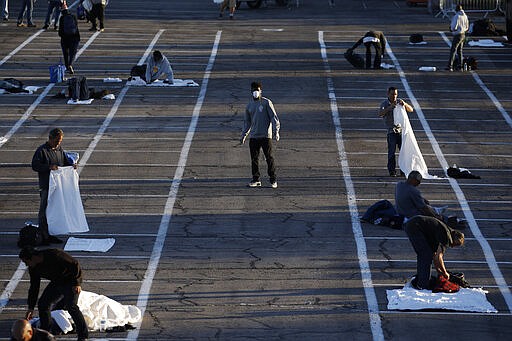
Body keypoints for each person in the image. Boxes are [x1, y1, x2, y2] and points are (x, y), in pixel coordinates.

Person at [19, 247, 89, 341]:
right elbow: (34, 288)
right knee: (43, 304)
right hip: (57, 282)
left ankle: (83, 336)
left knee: (71, 306)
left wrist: (77, 283)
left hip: (70, 281)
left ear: (33, 257)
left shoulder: (54, 254)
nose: (26, 265)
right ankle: (45, 332)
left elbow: (74, 264)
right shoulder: (33, 268)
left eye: (26, 262)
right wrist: (31, 307)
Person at [31, 128, 76, 245]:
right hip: (47, 186)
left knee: (55, 211)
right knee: (44, 211)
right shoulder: (42, 151)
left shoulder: (59, 149)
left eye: (60, 141)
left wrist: (72, 165)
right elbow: (35, 165)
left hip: (58, 186)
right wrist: (48, 167)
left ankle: (51, 234)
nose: (58, 143)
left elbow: (65, 161)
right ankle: (43, 235)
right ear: (50, 139)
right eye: (57, 141)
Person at [404, 215, 465, 290]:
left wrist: (440, 272)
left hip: (415, 223)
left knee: (428, 254)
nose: (451, 246)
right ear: (454, 239)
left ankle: (422, 280)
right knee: (425, 255)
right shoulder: (446, 237)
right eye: (454, 245)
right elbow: (438, 258)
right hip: (415, 226)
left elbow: (435, 256)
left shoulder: (445, 231)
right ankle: (422, 284)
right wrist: (445, 273)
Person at [240, 81, 280, 188]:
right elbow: (247, 122)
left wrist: (276, 131)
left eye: (257, 90)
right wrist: (244, 135)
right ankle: (256, 179)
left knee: (269, 157)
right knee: (254, 159)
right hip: (254, 136)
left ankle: (273, 179)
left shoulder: (266, 103)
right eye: (253, 90)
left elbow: (273, 117)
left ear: (260, 91)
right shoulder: (249, 106)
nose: (255, 92)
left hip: (266, 136)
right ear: (251, 91)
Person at [378, 86, 414, 177]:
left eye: (395, 94)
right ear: (388, 94)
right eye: (392, 94)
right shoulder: (385, 103)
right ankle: (392, 171)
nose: (394, 96)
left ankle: (403, 170)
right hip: (391, 131)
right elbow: (380, 114)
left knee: (403, 152)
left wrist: (405, 104)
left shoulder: (399, 102)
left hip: (401, 131)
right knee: (391, 152)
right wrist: (390, 107)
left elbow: (411, 109)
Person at [446, 4, 469, 71]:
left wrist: (451, 29)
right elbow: (467, 26)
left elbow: (454, 27)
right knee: (460, 51)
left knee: (453, 50)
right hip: (463, 34)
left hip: (458, 35)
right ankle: (460, 65)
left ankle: (450, 66)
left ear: (457, 10)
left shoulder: (457, 16)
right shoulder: (465, 16)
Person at [58, 4, 80, 74]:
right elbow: (76, 27)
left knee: (65, 53)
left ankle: (67, 66)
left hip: (64, 38)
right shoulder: (73, 16)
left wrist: (61, 36)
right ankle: (70, 64)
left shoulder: (62, 18)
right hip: (74, 37)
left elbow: (60, 31)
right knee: (72, 53)